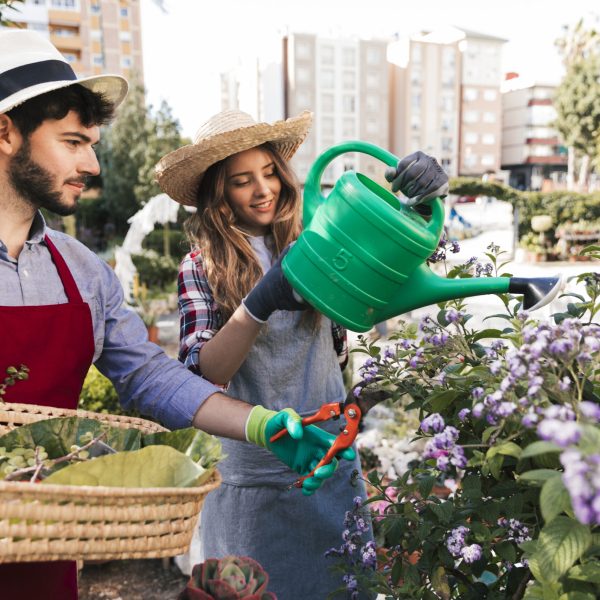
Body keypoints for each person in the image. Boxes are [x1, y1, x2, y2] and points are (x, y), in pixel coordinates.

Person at [0, 30, 349, 600]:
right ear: (6, 131)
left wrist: (260, 425)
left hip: (46, 550)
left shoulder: (84, 273)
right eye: (72, 142)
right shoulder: (198, 265)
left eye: (91, 143)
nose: (92, 162)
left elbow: (149, 379)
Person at [155, 110, 449, 598]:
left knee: (343, 588)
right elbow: (206, 375)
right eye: (242, 181)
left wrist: (424, 199)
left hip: (330, 466)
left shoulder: (316, 238)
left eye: (270, 172)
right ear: (218, 194)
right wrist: (258, 303)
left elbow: (397, 266)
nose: (263, 189)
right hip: (251, 483)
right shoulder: (201, 266)